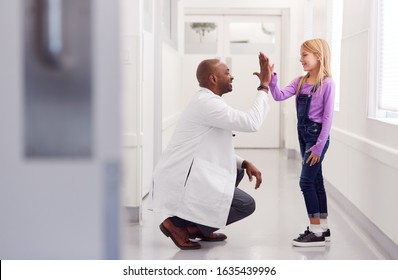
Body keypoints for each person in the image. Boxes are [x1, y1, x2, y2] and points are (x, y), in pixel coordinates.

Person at [152, 53, 273, 250]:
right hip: (183, 175)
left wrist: (244, 162)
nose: (232, 76)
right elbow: (252, 122)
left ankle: (196, 227)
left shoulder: (209, 101)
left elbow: (212, 150)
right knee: (246, 205)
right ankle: (178, 224)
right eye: (227, 73)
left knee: (238, 171)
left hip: (192, 169)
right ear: (214, 78)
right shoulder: (208, 104)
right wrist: (264, 86)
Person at [265, 38, 335, 247]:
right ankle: (323, 228)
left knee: (305, 182)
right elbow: (278, 96)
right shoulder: (300, 82)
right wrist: (271, 79)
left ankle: (315, 232)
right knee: (316, 181)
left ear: (318, 56)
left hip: (316, 138)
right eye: (301, 55)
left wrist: (318, 146)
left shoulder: (327, 84)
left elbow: (327, 119)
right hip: (304, 135)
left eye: (305, 55)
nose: (301, 59)